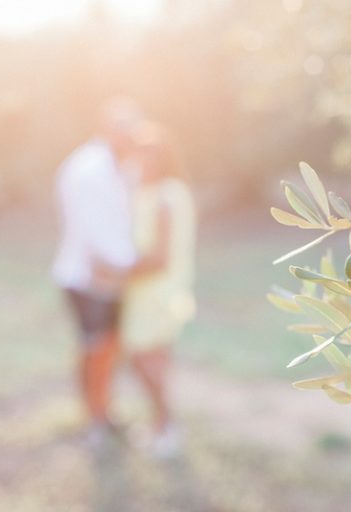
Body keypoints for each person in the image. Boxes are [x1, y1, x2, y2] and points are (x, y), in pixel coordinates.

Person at [52, 97, 143, 448]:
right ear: (106, 128)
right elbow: (88, 227)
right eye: (123, 128)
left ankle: (105, 411)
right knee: (95, 348)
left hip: (117, 275)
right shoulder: (86, 167)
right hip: (89, 277)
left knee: (110, 349)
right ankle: (94, 420)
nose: (129, 135)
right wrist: (108, 269)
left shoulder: (124, 164)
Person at [122, 123, 196, 458]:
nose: (143, 160)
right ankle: (160, 424)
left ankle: (166, 424)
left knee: (143, 359)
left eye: (150, 154)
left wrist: (115, 269)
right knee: (155, 360)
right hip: (153, 291)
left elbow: (160, 257)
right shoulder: (163, 193)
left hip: (153, 291)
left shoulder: (165, 197)